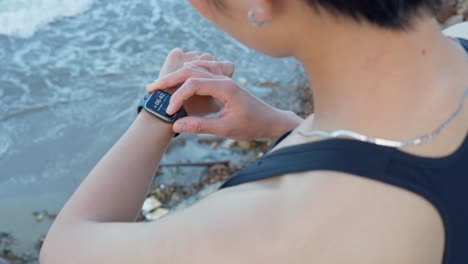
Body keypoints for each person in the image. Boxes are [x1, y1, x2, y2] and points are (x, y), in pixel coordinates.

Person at [40, 1, 468, 263]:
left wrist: (158, 113)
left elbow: (65, 250)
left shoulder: (273, 228)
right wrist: (284, 127)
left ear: (259, 2)